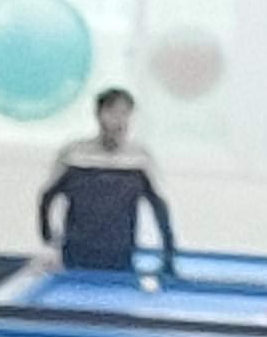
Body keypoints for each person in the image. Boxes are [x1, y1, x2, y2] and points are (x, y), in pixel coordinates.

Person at [31, 86, 180, 280]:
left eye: (124, 113)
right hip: (75, 255)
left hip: (120, 256)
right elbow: (46, 198)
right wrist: (49, 243)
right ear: (99, 114)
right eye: (112, 112)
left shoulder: (139, 160)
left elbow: (159, 208)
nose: (118, 120)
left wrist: (168, 256)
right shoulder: (74, 155)